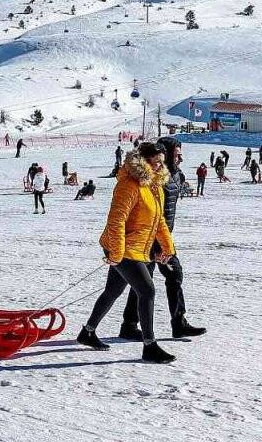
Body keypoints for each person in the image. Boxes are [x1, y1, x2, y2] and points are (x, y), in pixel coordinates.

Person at [76, 142, 177, 363]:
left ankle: (88, 332)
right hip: (121, 247)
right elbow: (116, 220)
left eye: (162, 162)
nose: (161, 166)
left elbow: (159, 220)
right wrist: (117, 253)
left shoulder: (154, 186)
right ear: (144, 161)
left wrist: (169, 249)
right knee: (147, 291)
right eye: (156, 162)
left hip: (137, 248)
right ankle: (149, 346)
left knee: (113, 291)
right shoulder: (129, 185)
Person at [120, 137, 205, 340]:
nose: (180, 158)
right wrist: (158, 245)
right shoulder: (154, 177)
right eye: (177, 154)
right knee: (160, 279)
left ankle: (137, 324)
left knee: (148, 282)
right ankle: (168, 323)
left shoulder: (176, 175)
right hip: (150, 238)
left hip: (163, 235)